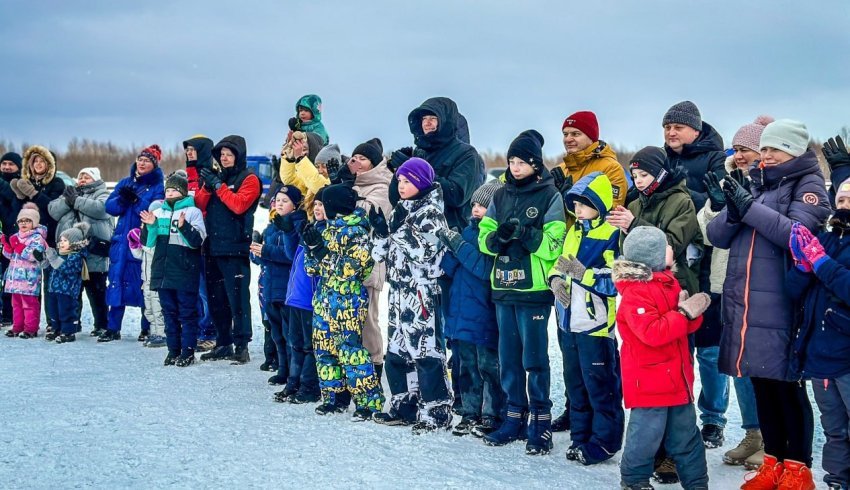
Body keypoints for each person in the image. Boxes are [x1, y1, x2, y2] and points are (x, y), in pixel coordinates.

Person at [707, 119, 831, 490]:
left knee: (787, 387)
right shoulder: (760, 185)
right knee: (762, 384)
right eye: (763, 150)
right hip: (749, 303)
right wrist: (731, 204)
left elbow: (798, 237)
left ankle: (799, 467)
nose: (765, 156)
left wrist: (749, 208)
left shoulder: (809, 186)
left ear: (793, 151)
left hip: (784, 304)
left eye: (773, 150)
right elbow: (718, 236)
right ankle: (773, 461)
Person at [478, 130, 566, 455]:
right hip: (503, 286)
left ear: (534, 164)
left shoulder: (549, 195)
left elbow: (555, 243)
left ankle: (541, 422)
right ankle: (514, 417)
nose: (514, 168)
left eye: (521, 162)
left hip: (534, 290)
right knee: (509, 359)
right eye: (511, 161)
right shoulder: (500, 196)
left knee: (534, 358)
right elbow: (484, 236)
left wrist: (528, 235)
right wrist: (496, 238)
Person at [699, 117, 774, 467]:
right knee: (741, 365)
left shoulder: (771, 183)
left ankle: (772, 439)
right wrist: (716, 205)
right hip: (726, 282)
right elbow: (706, 232)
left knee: (763, 365)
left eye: (746, 148)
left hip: (760, 283)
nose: (740, 155)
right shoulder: (728, 179)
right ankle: (753, 433)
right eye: (737, 149)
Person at [613, 226, 710, 490]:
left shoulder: (669, 282)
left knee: (687, 438)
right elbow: (653, 333)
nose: (671, 249)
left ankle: (698, 483)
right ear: (651, 256)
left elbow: (683, 328)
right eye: (666, 245)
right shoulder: (635, 292)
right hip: (650, 382)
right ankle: (634, 481)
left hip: (677, 379)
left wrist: (692, 313)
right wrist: (683, 314)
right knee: (645, 438)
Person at [370, 157, 452, 433]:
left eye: (407, 182)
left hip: (421, 292)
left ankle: (436, 410)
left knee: (425, 351)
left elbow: (425, 253)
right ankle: (403, 404)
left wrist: (399, 231)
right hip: (398, 290)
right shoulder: (400, 210)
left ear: (420, 183)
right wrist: (381, 233)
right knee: (397, 350)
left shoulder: (432, 213)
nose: (401, 186)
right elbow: (379, 255)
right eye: (400, 181)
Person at [548, 172, 624, 465]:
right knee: (575, 384)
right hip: (568, 320)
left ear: (600, 204)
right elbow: (561, 264)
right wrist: (555, 280)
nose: (577, 210)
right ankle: (581, 437)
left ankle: (604, 442)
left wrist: (584, 275)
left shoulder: (611, 234)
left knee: (600, 386)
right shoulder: (574, 231)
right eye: (575, 204)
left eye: (584, 204)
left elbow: (615, 280)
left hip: (595, 326)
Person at [786, 179, 850, 490]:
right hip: (820, 354)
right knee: (834, 429)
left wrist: (821, 263)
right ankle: (837, 480)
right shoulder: (824, 239)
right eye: (841, 198)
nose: (845, 204)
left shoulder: (824, 250)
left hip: (846, 354)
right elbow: (794, 293)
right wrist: (801, 266)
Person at [303, 183, 385, 419]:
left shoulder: (358, 233)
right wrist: (311, 248)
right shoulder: (326, 230)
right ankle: (334, 397)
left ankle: (368, 402)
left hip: (347, 302)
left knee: (351, 352)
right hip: (324, 300)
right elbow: (312, 269)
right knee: (324, 351)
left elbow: (348, 270)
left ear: (333, 207)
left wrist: (320, 252)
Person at [437, 179, 505, 437]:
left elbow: (483, 269)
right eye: (475, 204)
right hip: (460, 311)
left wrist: (459, 246)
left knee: (488, 367)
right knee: (466, 367)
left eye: (484, 206)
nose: (476, 209)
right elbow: (450, 268)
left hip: (484, 313)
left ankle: (491, 413)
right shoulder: (467, 232)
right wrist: (448, 245)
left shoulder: (493, 238)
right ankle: (469, 411)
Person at [195, 135, 261, 364]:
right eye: (221, 154)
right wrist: (206, 185)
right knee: (216, 299)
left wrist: (218, 186)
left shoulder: (249, 178)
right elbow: (200, 204)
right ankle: (223, 342)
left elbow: (239, 205)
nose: (224, 158)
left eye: (229, 154)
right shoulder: (218, 177)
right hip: (212, 247)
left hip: (235, 248)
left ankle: (242, 345)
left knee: (238, 300)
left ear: (238, 155)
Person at [140, 171, 207, 367]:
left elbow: (196, 242)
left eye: (174, 190)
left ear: (183, 192)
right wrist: (150, 226)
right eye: (167, 190)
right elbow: (148, 243)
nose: (169, 193)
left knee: (186, 313)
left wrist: (184, 227)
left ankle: (187, 351)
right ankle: (173, 350)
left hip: (185, 271)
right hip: (163, 272)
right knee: (168, 313)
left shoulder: (192, 212)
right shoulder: (158, 213)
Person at [389, 97, 485, 231]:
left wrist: (417, 172)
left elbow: (457, 196)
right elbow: (395, 198)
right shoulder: (419, 152)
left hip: (449, 233)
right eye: (424, 119)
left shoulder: (466, 154)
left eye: (432, 118)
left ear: (445, 121)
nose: (427, 123)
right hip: (412, 231)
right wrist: (400, 170)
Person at [101, 145, 165, 342]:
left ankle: (146, 328)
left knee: (143, 284)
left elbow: (153, 212)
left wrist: (136, 201)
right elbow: (109, 207)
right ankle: (113, 328)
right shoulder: (125, 183)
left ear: (154, 165)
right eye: (140, 159)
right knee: (116, 283)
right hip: (121, 242)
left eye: (147, 160)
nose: (142, 162)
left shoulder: (157, 187)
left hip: (141, 241)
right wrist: (122, 198)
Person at [251, 185, 306, 396]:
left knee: (290, 334)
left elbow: (290, 256)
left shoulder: (295, 225)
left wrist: (266, 250)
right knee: (276, 334)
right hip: (269, 287)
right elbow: (262, 258)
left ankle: (295, 376)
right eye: (277, 200)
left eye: (284, 201)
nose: (279, 204)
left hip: (286, 290)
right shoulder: (272, 226)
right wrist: (256, 249)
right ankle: (282, 369)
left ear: (294, 205)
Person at [47, 167, 114, 338]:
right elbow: (53, 210)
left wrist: (76, 201)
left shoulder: (103, 193)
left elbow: (101, 209)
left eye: (87, 177)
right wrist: (67, 200)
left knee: (96, 292)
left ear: (96, 179)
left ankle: (102, 325)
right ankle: (72, 324)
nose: (82, 179)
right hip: (69, 252)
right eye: (80, 176)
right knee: (71, 292)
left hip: (93, 252)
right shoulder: (70, 193)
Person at [9, 146, 66, 335]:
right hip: (26, 238)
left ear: (49, 164)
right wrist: (19, 196)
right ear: (30, 166)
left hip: (48, 237)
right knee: (29, 285)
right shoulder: (26, 182)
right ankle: (27, 324)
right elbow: (20, 212)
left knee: (49, 282)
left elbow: (52, 208)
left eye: (42, 161)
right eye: (35, 162)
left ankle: (52, 321)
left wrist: (34, 193)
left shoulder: (56, 183)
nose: (38, 165)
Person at [350, 138, 393, 380]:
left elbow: (363, 217)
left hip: (369, 260)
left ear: (375, 164)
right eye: (354, 157)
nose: (356, 162)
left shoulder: (382, 185)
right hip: (345, 263)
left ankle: (375, 363)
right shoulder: (352, 184)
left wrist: (345, 192)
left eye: (363, 158)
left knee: (368, 319)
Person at [550, 111, 628, 229]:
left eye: (575, 134)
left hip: (592, 243)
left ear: (591, 137)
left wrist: (571, 200)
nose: (568, 139)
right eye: (565, 134)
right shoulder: (561, 169)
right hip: (564, 242)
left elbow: (611, 214)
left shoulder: (610, 168)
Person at [183, 134, 217, 348]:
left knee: (206, 291)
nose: (189, 153)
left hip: (206, 241)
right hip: (188, 240)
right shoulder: (187, 177)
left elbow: (201, 206)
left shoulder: (209, 176)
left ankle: (209, 332)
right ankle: (195, 330)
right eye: (187, 150)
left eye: (193, 149)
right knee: (193, 289)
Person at [1, 203, 47, 338]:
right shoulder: (17, 236)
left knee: (29, 304)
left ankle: (30, 329)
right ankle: (17, 326)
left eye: (27, 221)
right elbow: (10, 256)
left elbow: (33, 255)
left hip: (29, 278)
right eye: (21, 221)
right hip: (15, 278)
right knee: (16, 305)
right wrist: (6, 245)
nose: (24, 223)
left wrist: (16, 244)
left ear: (35, 222)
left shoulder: (37, 238)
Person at [44, 223, 90, 343]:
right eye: (61, 240)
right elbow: (50, 268)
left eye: (65, 240)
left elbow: (65, 268)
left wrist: (53, 258)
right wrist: (43, 258)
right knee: (53, 310)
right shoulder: (60, 255)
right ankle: (56, 328)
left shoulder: (76, 257)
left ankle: (68, 331)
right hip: (54, 289)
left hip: (67, 291)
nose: (61, 243)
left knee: (66, 310)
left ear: (74, 243)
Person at [127, 224, 165, 347]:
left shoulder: (158, 238)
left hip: (157, 280)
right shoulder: (146, 238)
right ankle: (154, 332)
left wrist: (143, 242)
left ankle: (162, 334)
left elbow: (154, 251)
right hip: (146, 280)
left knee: (158, 308)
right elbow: (139, 255)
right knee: (149, 310)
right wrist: (133, 244)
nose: (142, 226)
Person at [0, 151, 23, 328]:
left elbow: (12, 196)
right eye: (4, 164)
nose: (7, 167)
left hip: (14, 237)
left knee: (11, 279)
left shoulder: (19, 183)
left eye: (11, 164)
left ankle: (9, 314)